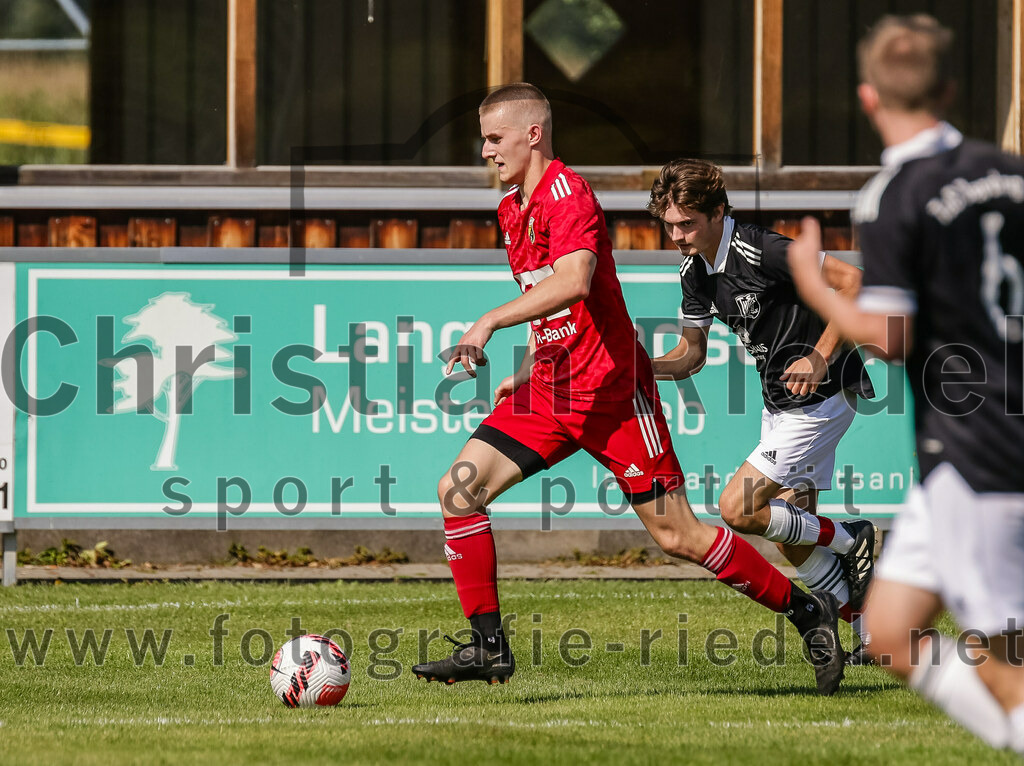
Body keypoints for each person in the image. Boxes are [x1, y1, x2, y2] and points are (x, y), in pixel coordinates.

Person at [411, 82, 847, 695]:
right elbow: (548, 295)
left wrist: (487, 322)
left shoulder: (569, 194)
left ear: (533, 134)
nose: (485, 151)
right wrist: (532, 360)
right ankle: (488, 646)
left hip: (614, 394)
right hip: (552, 389)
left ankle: (806, 612)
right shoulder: (513, 205)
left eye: (493, 138)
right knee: (458, 490)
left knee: (679, 536)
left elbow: (574, 281)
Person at [787, 14, 1024, 753]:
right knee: (889, 633)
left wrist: (815, 290)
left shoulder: (895, 195)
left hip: (980, 447)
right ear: (950, 90)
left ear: (866, 97)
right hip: (963, 451)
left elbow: (888, 338)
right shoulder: (1011, 174)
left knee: (1007, 661)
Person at [646, 159, 878, 662]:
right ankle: (871, 635)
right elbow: (690, 355)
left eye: (687, 224)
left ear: (718, 212)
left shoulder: (763, 248)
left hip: (823, 396)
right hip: (780, 404)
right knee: (792, 531)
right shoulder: (694, 272)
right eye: (669, 225)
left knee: (737, 508)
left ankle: (849, 537)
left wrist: (819, 356)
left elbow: (853, 281)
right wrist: (642, 368)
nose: (677, 236)